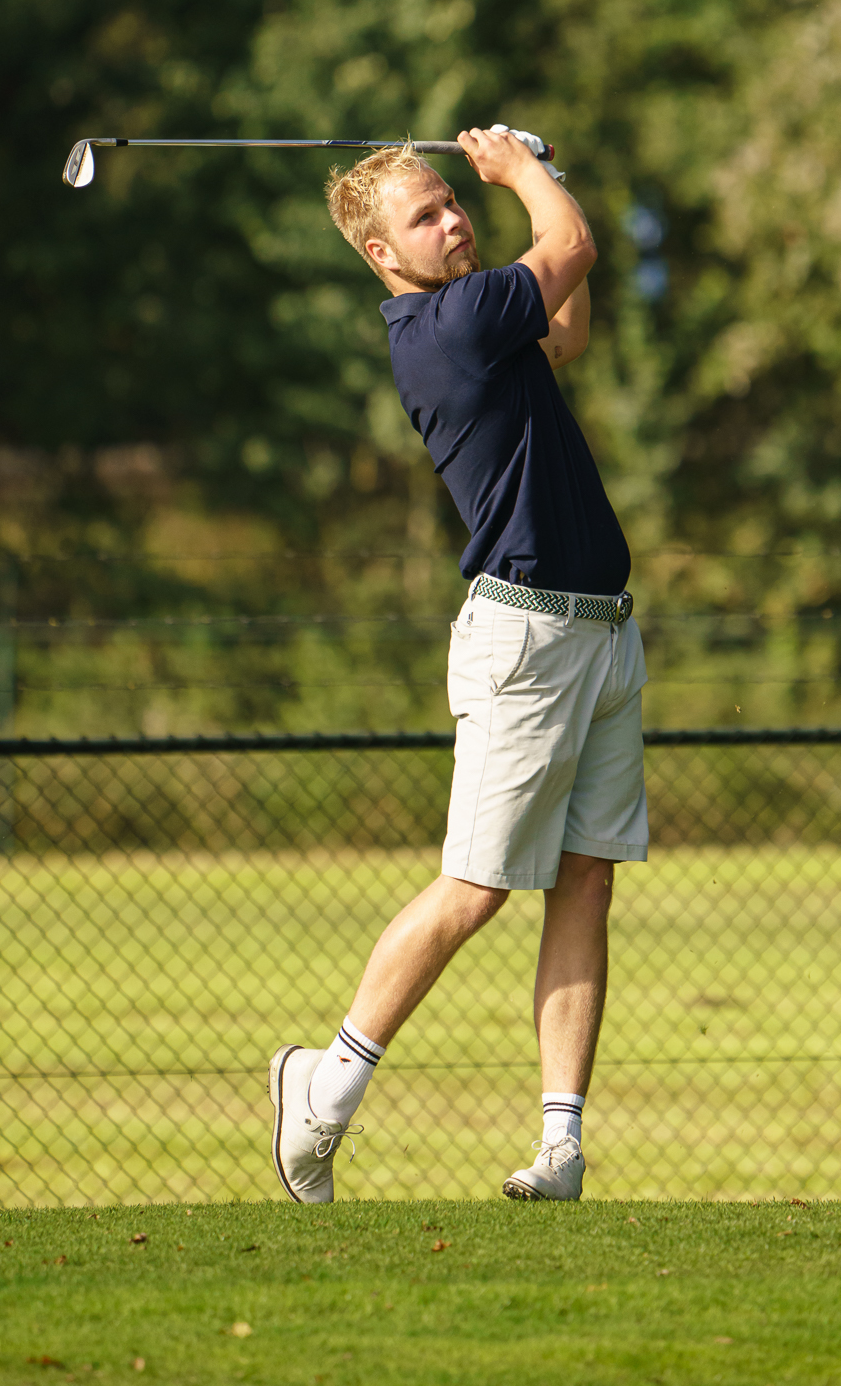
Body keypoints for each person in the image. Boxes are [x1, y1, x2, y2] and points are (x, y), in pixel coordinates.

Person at [269, 126, 647, 1205]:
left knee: (585, 877)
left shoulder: (483, 316)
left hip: (601, 630)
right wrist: (523, 169)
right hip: (525, 639)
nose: (453, 221)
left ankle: (561, 1148)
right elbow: (570, 247)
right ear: (382, 253)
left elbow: (567, 327)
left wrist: (543, 181)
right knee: (476, 887)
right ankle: (323, 1089)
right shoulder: (449, 322)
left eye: (452, 201)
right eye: (426, 215)